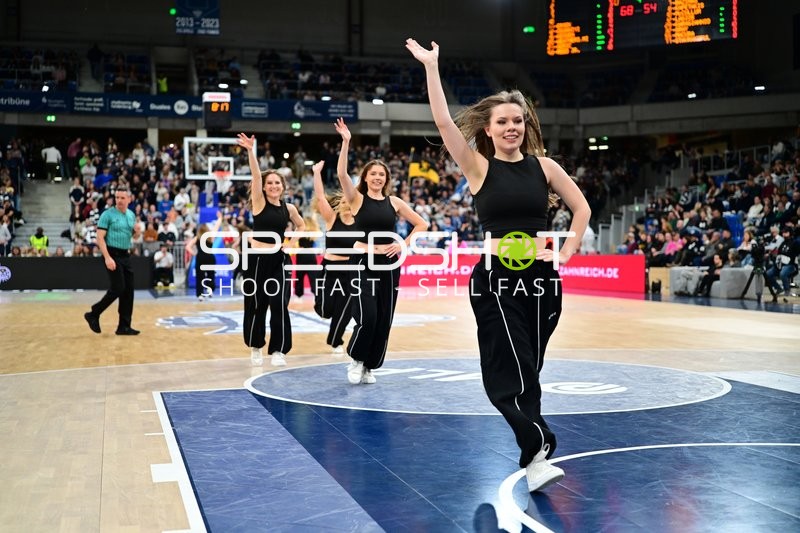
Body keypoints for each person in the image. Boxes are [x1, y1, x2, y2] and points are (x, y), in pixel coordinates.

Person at [407, 38, 590, 492]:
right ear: (487, 129)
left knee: (532, 365)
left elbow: (582, 210)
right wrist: (432, 67)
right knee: (516, 366)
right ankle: (538, 451)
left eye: (518, 121)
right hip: (496, 279)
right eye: (503, 121)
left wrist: (563, 253)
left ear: (526, 126)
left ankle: (534, 449)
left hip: (542, 280)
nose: (512, 127)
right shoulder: (477, 167)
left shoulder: (545, 167)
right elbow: (444, 122)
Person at [335, 117, 429, 385]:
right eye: (372, 173)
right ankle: (355, 359)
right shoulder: (356, 199)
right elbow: (342, 175)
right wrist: (346, 142)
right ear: (365, 177)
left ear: (386, 179)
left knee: (384, 319)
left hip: (389, 266)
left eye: (381, 175)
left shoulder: (395, 202)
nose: (377, 177)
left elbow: (422, 224)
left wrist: (402, 243)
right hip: (363, 263)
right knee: (368, 315)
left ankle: (370, 366)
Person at [236, 132, 305, 367]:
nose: (274, 186)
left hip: (279, 259)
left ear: (283, 186)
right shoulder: (259, 202)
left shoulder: (290, 208)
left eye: (278, 182)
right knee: (256, 305)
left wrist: (290, 242)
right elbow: (256, 176)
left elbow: (302, 225)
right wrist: (250, 151)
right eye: (270, 183)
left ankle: (278, 350)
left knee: (279, 304)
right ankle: (256, 346)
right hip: (256, 260)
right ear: (264, 188)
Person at [311, 160, 357, 356]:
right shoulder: (332, 219)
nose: (347, 203)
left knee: (345, 309)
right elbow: (321, 198)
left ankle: (335, 339)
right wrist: (316, 173)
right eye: (344, 200)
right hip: (329, 268)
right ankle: (324, 312)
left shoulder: (361, 221)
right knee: (325, 309)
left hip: (352, 269)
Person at [84, 186, 140, 335]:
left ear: (129, 199)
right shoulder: (107, 215)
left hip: (125, 254)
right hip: (112, 254)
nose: (119, 200)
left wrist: (137, 233)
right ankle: (94, 313)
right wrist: (108, 257)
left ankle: (124, 326)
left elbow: (132, 236)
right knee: (118, 288)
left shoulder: (131, 215)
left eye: (122, 198)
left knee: (128, 291)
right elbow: (100, 238)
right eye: (117, 197)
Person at [186, 211, 223, 301]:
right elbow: (216, 227)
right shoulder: (210, 237)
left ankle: (200, 295)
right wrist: (220, 218)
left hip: (200, 258)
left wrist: (194, 253)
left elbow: (188, 247)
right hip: (210, 257)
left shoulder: (197, 238)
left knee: (200, 277)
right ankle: (209, 291)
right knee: (211, 275)